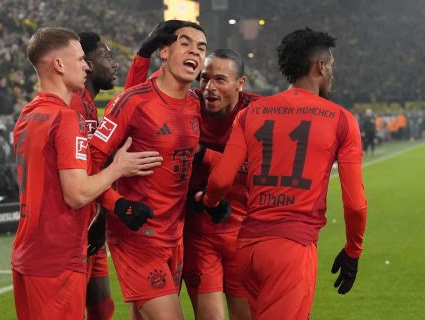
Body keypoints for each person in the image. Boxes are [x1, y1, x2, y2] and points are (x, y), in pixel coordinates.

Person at [198, 28, 367, 319]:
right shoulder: (341, 119)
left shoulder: (251, 113)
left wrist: (210, 202)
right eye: (332, 67)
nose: (332, 75)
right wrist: (353, 250)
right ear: (320, 67)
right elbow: (355, 204)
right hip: (291, 249)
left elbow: (221, 179)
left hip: (248, 249)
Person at [11, 27, 161, 320]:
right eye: (80, 59)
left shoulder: (28, 113)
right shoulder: (66, 118)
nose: (85, 65)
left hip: (28, 252)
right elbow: (77, 193)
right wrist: (120, 167)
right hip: (58, 255)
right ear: (58, 64)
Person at [125, 39, 259, 319]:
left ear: (240, 83)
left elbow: (259, 168)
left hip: (244, 233)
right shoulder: (189, 104)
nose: (209, 88)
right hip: (199, 234)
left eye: (220, 79)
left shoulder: (259, 114)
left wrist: (203, 154)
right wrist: (142, 57)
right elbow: (136, 101)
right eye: (204, 78)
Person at [89, 21, 208, 320]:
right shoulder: (132, 101)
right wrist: (117, 205)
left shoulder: (196, 103)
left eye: (201, 47)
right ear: (164, 51)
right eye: (185, 43)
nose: (195, 50)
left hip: (174, 233)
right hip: (137, 234)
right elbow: (90, 161)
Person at [69, 31, 118, 320]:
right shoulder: (72, 104)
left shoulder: (88, 105)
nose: (114, 65)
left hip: (92, 217)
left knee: (101, 307)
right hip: (76, 224)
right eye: (107, 56)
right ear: (86, 62)